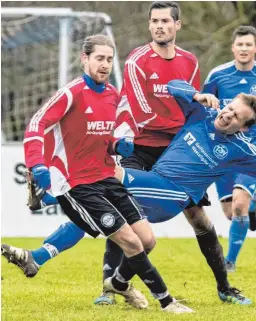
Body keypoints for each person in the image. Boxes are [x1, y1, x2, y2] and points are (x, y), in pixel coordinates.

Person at [3, 2, 248, 307]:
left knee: (198, 217)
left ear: (177, 25)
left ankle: (224, 286)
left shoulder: (189, 61)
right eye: (154, 21)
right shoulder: (136, 60)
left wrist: (195, 128)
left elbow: (190, 104)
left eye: (165, 21)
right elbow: (137, 109)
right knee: (118, 214)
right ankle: (109, 289)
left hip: (175, 151)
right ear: (149, 26)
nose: (159, 26)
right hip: (141, 147)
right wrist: (124, 141)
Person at [2, 35, 193, 314]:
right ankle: (167, 301)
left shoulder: (113, 96)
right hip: (78, 184)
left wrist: (117, 144)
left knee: (147, 240)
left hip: (106, 177)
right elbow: (36, 124)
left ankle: (116, 282)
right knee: (129, 241)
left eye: (108, 59)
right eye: (99, 58)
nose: (104, 64)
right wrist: (37, 165)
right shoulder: (72, 92)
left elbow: (105, 138)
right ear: (85, 59)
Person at [202, 25, 256, 272]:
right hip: (223, 149)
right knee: (232, 213)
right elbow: (204, 105)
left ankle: (229, 262)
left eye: (248, 45)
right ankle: (253, 205)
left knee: (239, 205)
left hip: (252, 148)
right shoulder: (217, 75)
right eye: (239, 44)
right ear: (233, 47)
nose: (243, 49)